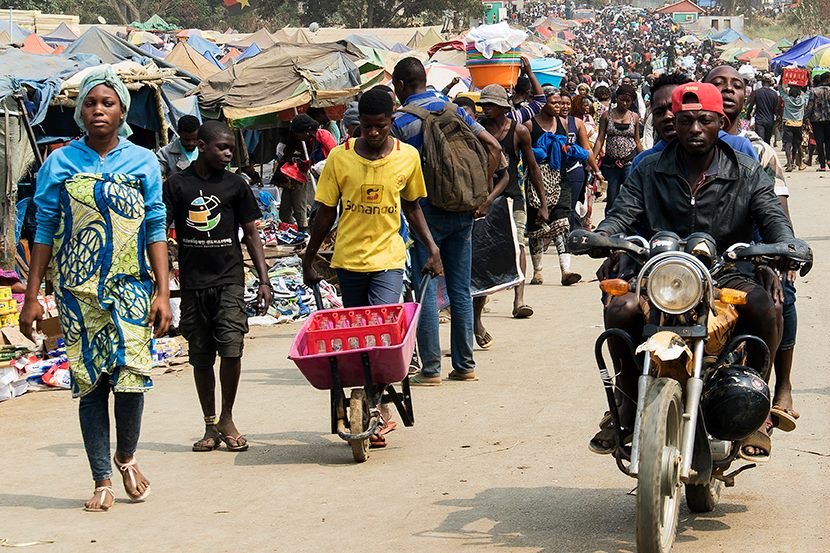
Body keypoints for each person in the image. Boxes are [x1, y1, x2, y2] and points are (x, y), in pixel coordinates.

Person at [588, 82, 795, 462]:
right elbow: (622, 213)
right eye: (686, 121)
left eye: (704, 120)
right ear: (675, 123)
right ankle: (627, 399)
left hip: (725, 272)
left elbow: (772, 216)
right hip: (660, 273)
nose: (694, 129)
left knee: (767, 307)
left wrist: (784, 246)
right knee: (620, 308)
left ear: (721, 122)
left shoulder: (746, 171)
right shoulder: (649, 168)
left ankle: (753, 409)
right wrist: (603, 236)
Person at [20, 67, 172, 511]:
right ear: (79, 112)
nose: (98, 110)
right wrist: (31, 297)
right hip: (77, 292)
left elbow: (156, 227)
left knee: (130, 379)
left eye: (108, 103)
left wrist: (163, 293)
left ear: (122, 111)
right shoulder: (59, 163)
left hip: (131, 289)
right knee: (91, 385)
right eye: (90, 103)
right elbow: (43, 230)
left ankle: (126, 457)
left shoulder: (143, 162)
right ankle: (101, 478)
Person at [302, 89, 443, 443]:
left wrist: (432, 248)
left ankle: (375, 409)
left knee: (381, 335)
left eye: (380, 125)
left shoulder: (407, 157)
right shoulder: (340, 158)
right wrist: (309, 256)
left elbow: (412, 206)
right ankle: (372, 405)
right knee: (358, 339)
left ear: (391, 121)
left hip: (388, 259)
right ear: (357, 125)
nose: (374, 132)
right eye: (366, 126)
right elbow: (326, 212)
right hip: (349, 260)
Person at [390, 57, 501, 385]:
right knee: (460, 289)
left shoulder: (400, 122)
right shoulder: (455, 110)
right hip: (462, 208)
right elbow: (493, 146)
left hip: (424, 213)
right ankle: (465, 365)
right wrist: (481, 192)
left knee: (426, 288)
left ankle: (431, 369)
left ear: (400, 85)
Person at [164, 121, 273, 454]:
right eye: (222, 147)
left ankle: (227, 417)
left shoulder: (236, 185)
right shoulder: (177, 185)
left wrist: (264, 279)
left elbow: (251, 233)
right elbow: (161, 230)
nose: (228, 153)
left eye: (231, 149)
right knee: (200, 357)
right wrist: (161, 279)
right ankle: (210, 423)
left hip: (229, 280)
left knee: (231, 349)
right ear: (201, 146)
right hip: (193, 284)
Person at [704, 65, 800, 435]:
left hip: (750, 253)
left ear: (747, 96)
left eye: (736, 85)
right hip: (695, 258)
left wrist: (774, 258)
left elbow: (776, 211)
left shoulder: (758, 150)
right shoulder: (680, 143)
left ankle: (777, 387)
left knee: (781, 297)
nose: (728, 90)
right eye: (718, 84)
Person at [474, 84, 547, 343]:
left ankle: (519, 299)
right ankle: (479, 310)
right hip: (483, 200)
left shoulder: (518, 131)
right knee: (484, 255)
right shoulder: (478, 131)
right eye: (484, 105)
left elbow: (532, 167)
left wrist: (543, 202)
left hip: (513, 196)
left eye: (491, 105)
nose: (486, 109)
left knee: (518, 246)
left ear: (503, 108)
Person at [526, 88, 581, 286]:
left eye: (560, 102)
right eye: (554, 103)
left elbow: (567, 146)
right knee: (536, 226)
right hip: (536, 178)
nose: (559, 106)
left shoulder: (563, 123)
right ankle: (537, 271)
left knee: (562, 222)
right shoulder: (529, 125)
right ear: (543, 104)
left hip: (559, 176)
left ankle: (566, 270)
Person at [275, 114, 337, 232]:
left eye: (299, 134)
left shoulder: (323, 135)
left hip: (330, 180)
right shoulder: (313, 140)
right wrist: (303, 164)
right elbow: (313, 161)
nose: (299, 138)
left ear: (307, 131)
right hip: (321, 179)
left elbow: (335, 154)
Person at [592, 83, 642, 209]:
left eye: (628, 101)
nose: (624, 103)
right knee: (612, 197)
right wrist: (592, 159)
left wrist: (643, 159)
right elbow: (600, 139)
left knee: (629, 195)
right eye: (621, 100)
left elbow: (637, 141)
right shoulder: (606, 116)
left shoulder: (634, 117)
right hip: (611, 163)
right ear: (616, 98)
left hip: (629, 161)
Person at [779, 83, 809, 171]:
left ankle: (789, 163)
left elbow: (780, 90)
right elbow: (808, 91)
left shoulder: (787, 99)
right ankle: (800, 164)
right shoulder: (802, 100)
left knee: (788, 144)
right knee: (798, 144)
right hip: (798, 124)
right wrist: (809, 81)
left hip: (788, 124)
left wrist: (781, 80)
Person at [805, 72, 830, 172]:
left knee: (819, 142)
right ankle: (829, 160)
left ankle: (822, 165)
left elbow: (810, 106)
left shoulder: (814, 91)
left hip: (816, 120)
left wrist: (806, 118)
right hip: (828, 118)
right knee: (828, 141)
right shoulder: (829, 90)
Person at [746, 74, 779, 144]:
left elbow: (751, 105)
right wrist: (778, 118)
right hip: (770, 121)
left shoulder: (756, 92)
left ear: (762, 82)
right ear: (770, 83)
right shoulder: (774, 94)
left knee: (760, 141)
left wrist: (748, 115)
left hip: (759, 121)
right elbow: (776, 109)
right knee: (767, 142)